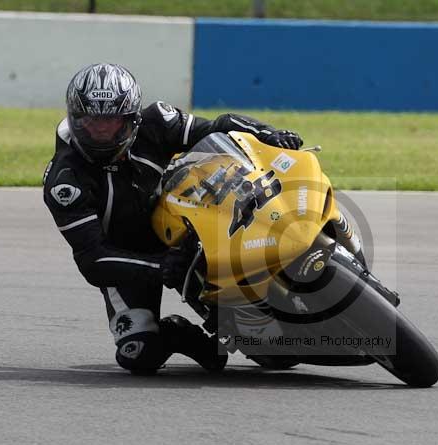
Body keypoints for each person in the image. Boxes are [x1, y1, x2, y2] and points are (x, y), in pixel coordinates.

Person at [42, 63, 303, 376]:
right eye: (91, 121)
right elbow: (92, 260)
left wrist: (267, 134)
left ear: (131, 118)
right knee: (136, 353)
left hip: (185, 219)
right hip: (126, 257)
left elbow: (218, 128)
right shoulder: (65, 181)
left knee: (278, 357)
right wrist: (159, 268)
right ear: (75, 117)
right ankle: (182, 334)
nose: (100, 131)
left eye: (110, 121)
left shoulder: (156, 121)